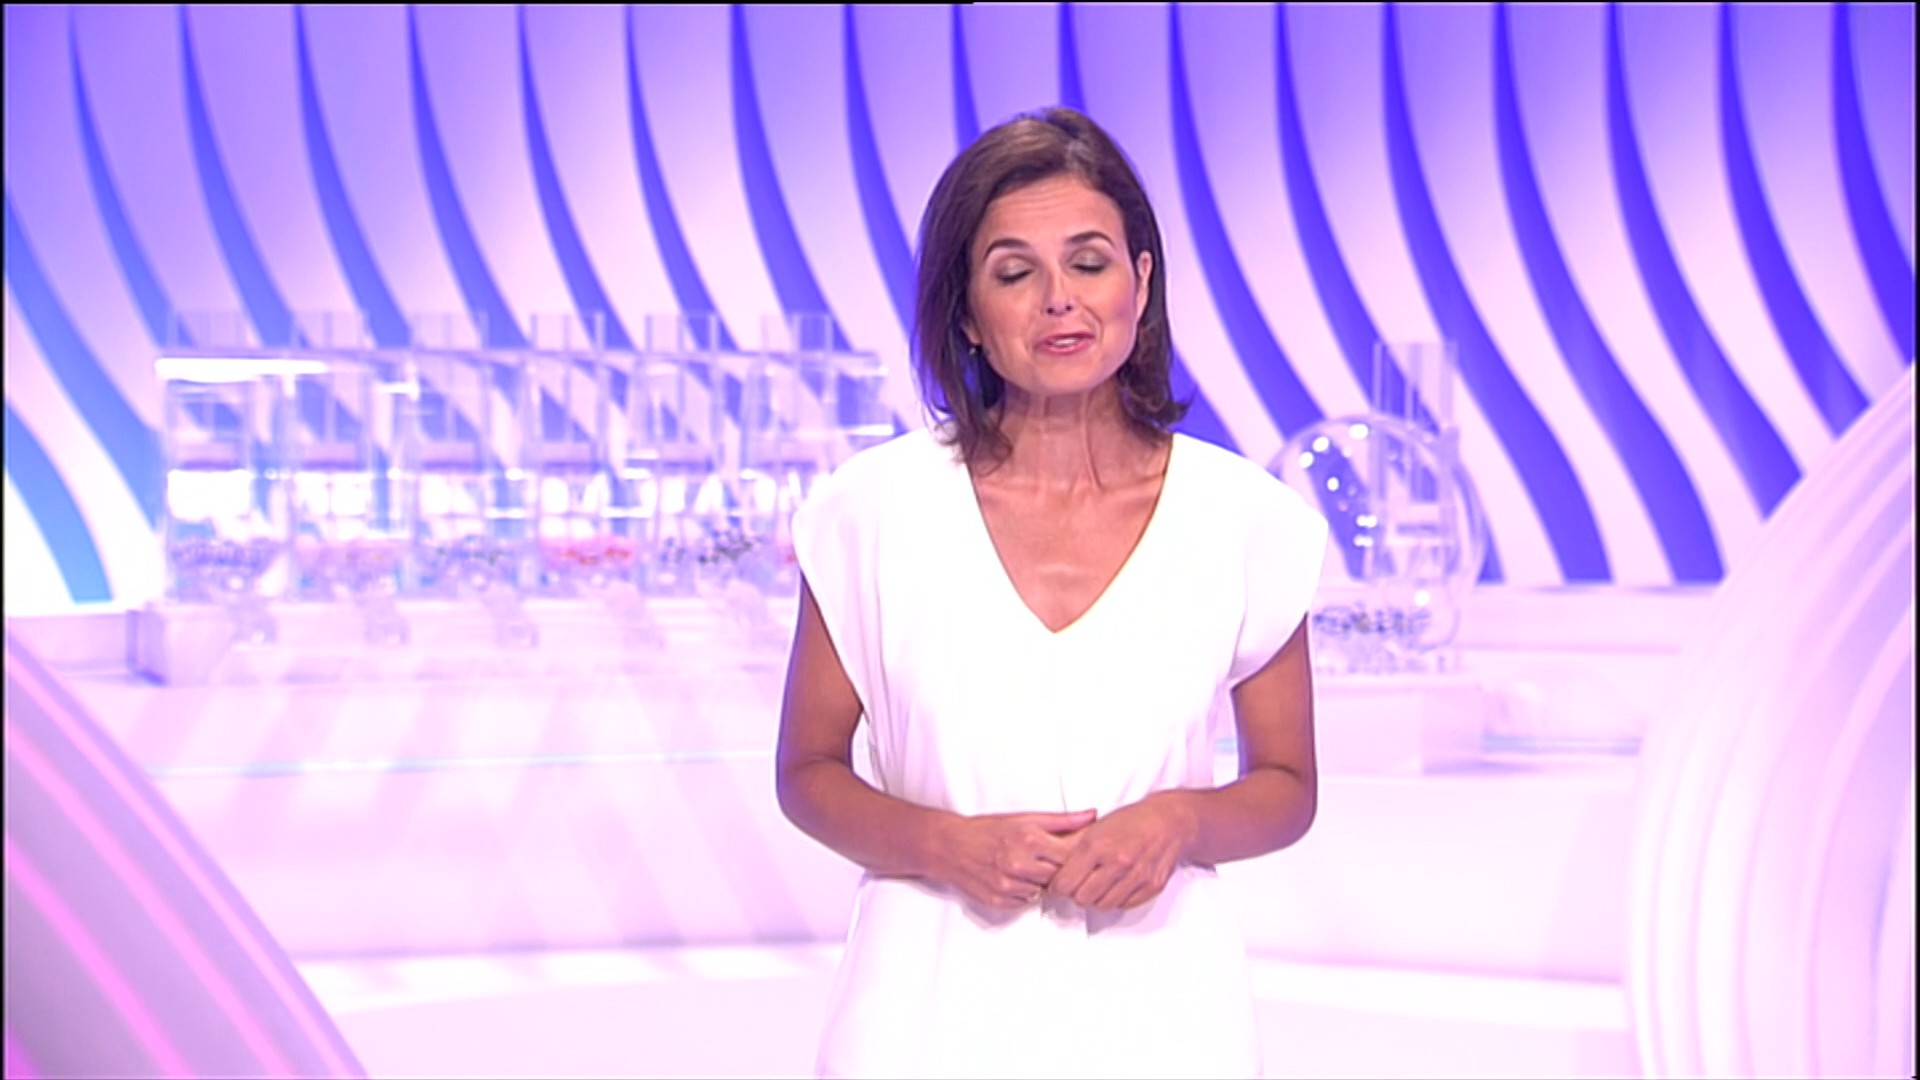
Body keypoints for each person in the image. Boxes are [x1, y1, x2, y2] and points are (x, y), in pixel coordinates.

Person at [775, 106, 1328, 1078]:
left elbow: (1287, 787)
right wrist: (944, 844)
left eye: (1089, 262)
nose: (1059, 301)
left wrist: (1180, 821)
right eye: (1014, 273)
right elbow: (807, 773)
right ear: (966, 314)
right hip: (925, 1011)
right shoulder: (872, 510)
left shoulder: (1245, 519)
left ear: (1141, 283)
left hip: (1162, 1016)